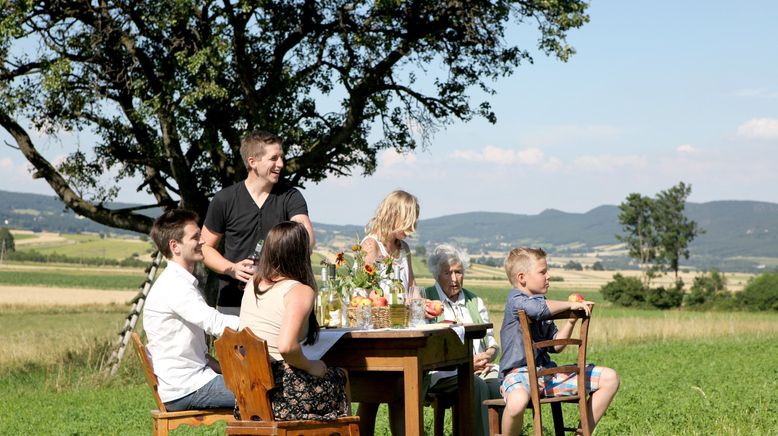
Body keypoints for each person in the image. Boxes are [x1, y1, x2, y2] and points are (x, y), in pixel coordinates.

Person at [499, 248, 620, 435]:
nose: (548, 276)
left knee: (610, 378)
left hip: (546, 374)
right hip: (518, 375)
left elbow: (556, 345)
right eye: (542, 272)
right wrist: (570, 305)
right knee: (517, 402)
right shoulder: (516, 299)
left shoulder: (542, 302)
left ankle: (582, 433)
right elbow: (537, 309)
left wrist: (571, 320)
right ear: (522, 277)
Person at [239, 221, 350, 420]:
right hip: (283, 393)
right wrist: (310, 366)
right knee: (341, 375)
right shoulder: (298, 290)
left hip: (249, 393)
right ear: (301, 252)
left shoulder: (253, 283)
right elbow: (287, 347)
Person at [202, 130, 315, 315]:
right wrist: (231, 269)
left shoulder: (291, 196)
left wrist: (276, 272)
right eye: (274, 158)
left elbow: (306, 238)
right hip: (233, 302)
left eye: (281, 157)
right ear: (253, 162)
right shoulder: (224, 199)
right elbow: (204, 248)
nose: (281, 164)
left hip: (280, 300)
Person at [143, 209, 240, 412]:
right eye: (195, 237)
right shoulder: (175, 286)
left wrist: (234, 372)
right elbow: (215, 323)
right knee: (266, 394)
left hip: (188, 382)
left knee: (259, 386)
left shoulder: (178, 282)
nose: (203, 241)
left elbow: (200, 355)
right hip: (186, 388)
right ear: (175, 246)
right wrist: (260, 325)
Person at [357, 189, 434, 435]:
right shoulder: (370, 245)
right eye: (407, 224)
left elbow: (411, 287)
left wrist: (422, 306)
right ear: (392, 217)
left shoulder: (404, 249)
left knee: (400, 392)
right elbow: (364, 289)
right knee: (371, 398)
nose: (410, 231)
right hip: (376, 329)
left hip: (400, 327)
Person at [422, 244, 500, 436]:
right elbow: (427, 347)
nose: (455, 279)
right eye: (448, 273)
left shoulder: (476, 301)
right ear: (436, 275)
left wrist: (488, 355)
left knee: (504, 383)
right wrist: (466, 364)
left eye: (459, 272)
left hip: (480, 368)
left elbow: (491, 342)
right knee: (476, 385)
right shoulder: (425, 300)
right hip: (441, 372)